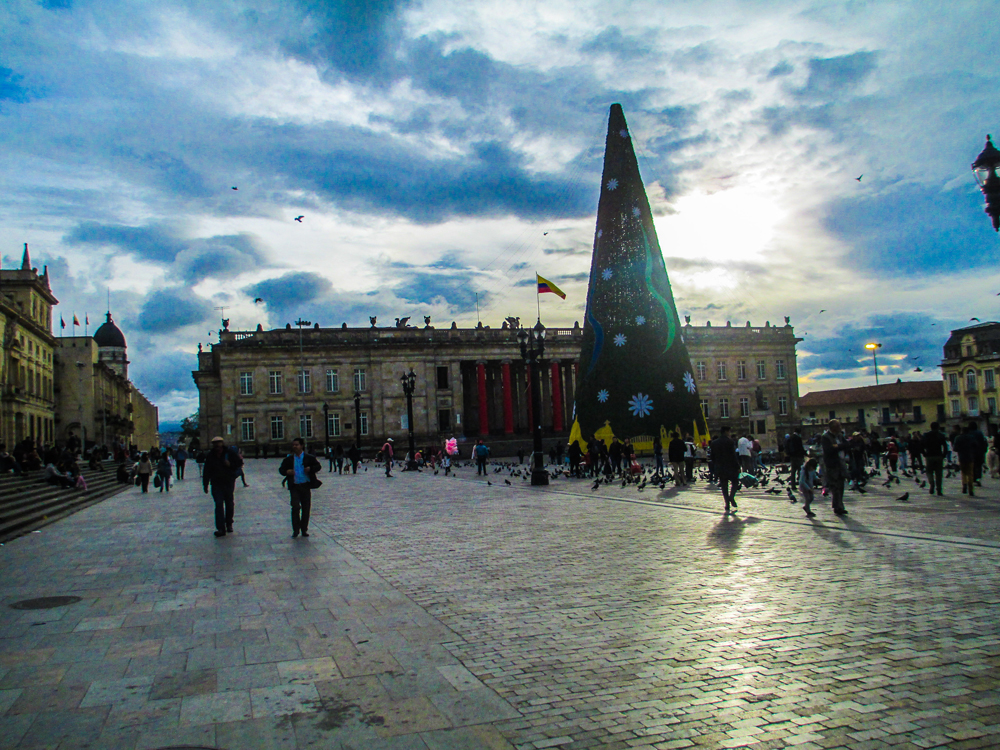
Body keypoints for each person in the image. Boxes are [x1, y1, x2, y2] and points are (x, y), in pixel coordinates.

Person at [279, 437, 322, 538]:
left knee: (306, 508)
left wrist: (310, 468)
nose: (294, 447)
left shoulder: (309, 457)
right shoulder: (289, 459)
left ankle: (304, 529)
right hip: (294, 486)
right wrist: (286, 472)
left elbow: (318, 466)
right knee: (295, 507)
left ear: (301, 446)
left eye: (296, 445)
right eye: (293, 445)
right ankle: (295, 529)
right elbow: (281, 469)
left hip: (305, 485)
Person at [203, 437, 238, 537]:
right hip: (216, 483)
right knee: (218, 504)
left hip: (228, 482)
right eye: (215, 444)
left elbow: (238, 463)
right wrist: (205, 484)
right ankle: (220, 528)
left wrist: (230, 465)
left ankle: (229, 523)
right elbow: (206, 470)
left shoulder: (229, 453)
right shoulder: (210, 455)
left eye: (218, 443)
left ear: (222, 443)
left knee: (229, 503)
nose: (217, 446)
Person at [820, 419, 849, 516]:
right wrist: (838, 446)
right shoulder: (825, 437)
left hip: (841, 463)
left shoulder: (840, 436)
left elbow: (847, 444)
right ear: (833, 427)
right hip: (832, 464)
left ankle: (838, 505)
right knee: (835, 486)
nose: (840, 428)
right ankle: (838, 507)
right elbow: (829, 449)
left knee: (841, 485)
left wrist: (837, 446)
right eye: (838, 426)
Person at [710, 426, 740, 514]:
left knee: (724, 485)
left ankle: (727, 503)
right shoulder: (730, 441)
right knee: (735, 482)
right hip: (730, 466)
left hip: (720, 467)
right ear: (726, 431)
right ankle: (731, 497)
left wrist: (716, 465)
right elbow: (733, 455)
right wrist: (738, 466)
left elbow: (712, 456)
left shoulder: (714, 443)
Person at [922, 422, 948, 495]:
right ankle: (939, 489)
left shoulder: (926, 435)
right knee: (939, 473)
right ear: (938, 427)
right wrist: (944, 455)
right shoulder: (941, 435)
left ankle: (931, 483)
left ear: (931, 427)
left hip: (929, 456)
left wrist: (924, 453)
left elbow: (921, 445)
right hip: (938, 456)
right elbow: (945, 446)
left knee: (929, 472)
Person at [953, 423, 978, 496]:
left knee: (963, 472)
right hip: (970, 457)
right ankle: (971, 489)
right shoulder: (971, 437)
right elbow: (976, 445)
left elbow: (955, 448)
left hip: (961, 457)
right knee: (970, 473)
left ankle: (964, 484)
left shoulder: (958, 438)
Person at [786, 426, 806, 490]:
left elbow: (786, 446)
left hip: (792, 457)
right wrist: (805, 453)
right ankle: (801, 484)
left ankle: (793, 485)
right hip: (798, 456)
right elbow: (800, 447)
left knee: (793, 471)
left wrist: (789, 454)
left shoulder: (790, 438)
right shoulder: (798, 438)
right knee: (800, 471)